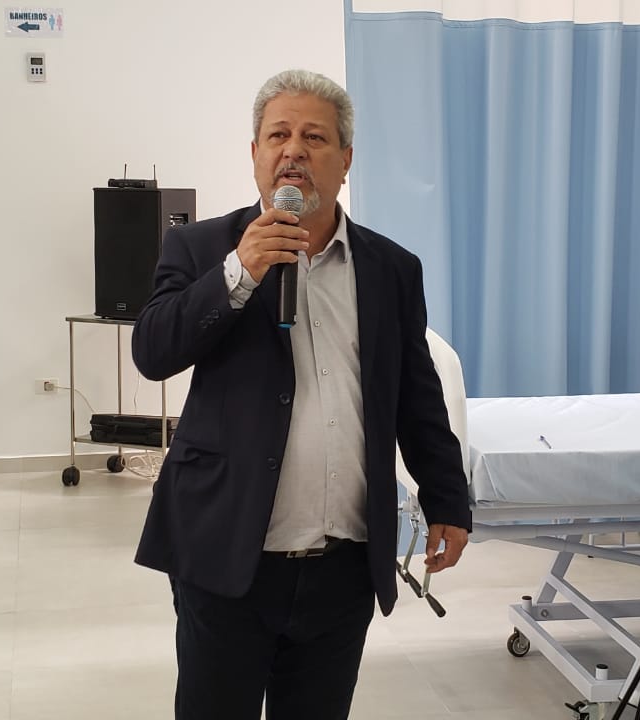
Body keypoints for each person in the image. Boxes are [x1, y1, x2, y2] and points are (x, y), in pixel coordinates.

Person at [132, 68, 472, 720]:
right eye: (277, 135)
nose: (293, 150)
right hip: (226, 554)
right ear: (255, 154)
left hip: (343, 566)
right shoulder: (201, 247)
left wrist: (446, 498)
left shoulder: (391, 269)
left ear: (345, 160)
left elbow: (416, 396)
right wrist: (241, 271)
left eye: (314, 137)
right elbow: (153, 352)